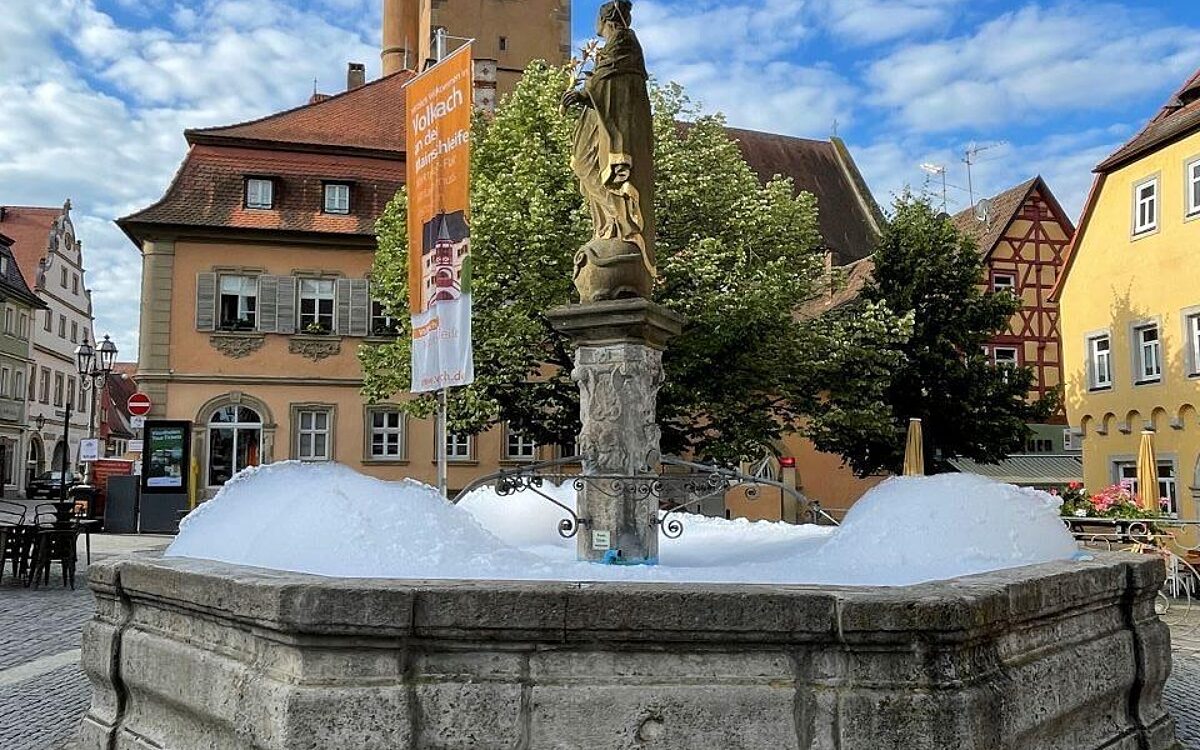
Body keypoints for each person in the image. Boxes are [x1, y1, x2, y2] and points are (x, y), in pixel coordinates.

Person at [563, 0, 656, 280]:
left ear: (606, 18)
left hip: (614, 120)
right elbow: (605, 77)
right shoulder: (614, 44)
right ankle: (610, 219)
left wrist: (584, 92)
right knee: (582, 163)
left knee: (592, 167)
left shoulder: (624, 40)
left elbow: (613, 80)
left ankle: (620, 218)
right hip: (600, 117)